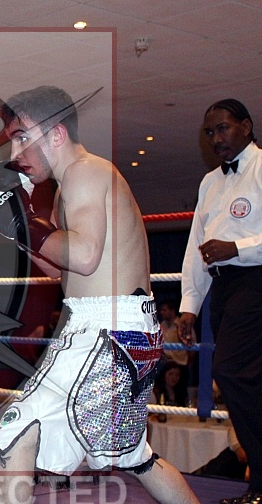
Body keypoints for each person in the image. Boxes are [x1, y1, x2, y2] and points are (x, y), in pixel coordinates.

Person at [0, 85, 197, 503]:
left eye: (22, 137)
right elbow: (63, 271)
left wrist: (22, 221)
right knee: (137, 457)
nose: (14, 153)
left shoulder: (85, 172)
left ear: (56, 134)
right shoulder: (69, 188)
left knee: (17, 428)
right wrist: (16, 229)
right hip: (121, 326)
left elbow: (83, 256)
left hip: (105, 327)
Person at [178, 98, 262, 504]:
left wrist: (238, 248)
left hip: (257, 281)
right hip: (224, 289)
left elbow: (228, 247)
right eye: (209, 132)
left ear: (246, 126)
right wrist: (188, 305)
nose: (216, 138)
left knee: (231, 372)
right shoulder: (210, 182)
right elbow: (196, 247)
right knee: (243, 378)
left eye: (223, 128)